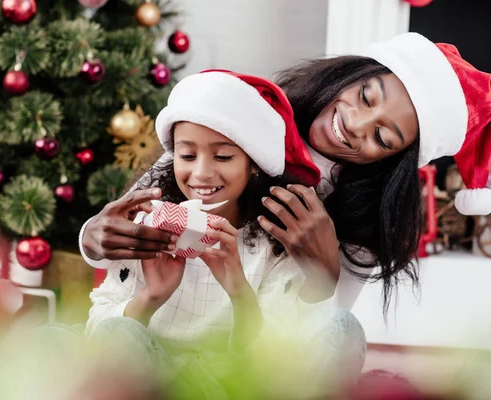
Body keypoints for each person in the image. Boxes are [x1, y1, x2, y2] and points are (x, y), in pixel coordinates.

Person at [80, 32, 491, 312]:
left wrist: (325, 271)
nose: (355, 124)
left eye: (383, 137)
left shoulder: (363, 222)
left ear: (394, 158)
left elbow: (320, 337)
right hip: (157, 318)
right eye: (366, 96)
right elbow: (153, 193)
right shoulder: (246, 110)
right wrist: (92, 238)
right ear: (353, 73)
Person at [82, 70, 366, 396]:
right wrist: (150, 297)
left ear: (253, 163)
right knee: (95, 332)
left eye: (223, 156)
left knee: (341, 326)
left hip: (240, 384)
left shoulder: (274, 241)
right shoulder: (146, 227)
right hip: (159, 380)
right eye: (187, 155)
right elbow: (100, 334)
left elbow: (276, 358)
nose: (201, 173)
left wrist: (239, 292)